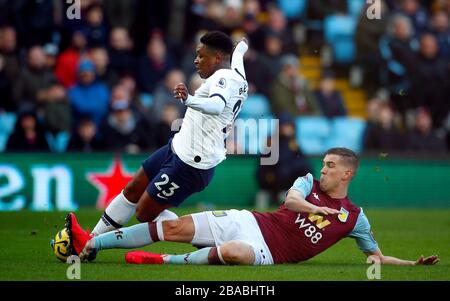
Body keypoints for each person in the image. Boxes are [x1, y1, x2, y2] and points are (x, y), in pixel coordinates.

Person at [66, 147, 439, 267]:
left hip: (265, 251)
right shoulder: (306, 183)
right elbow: (289, 201)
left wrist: (411, 265)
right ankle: (91, 243)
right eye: (323, 164)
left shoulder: (355, 218)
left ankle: (161, 260)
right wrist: (313, 209)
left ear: (347, 174)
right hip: (250, 220)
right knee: (174, 228)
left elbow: (375, 257)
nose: (322, 169)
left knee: (235, 253)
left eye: (330, 166)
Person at [66, 32, 249, 258]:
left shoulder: (223, 79)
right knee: (133, 187)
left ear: (218, 57)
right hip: (179, 147)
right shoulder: (237, 75)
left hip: (191, 163)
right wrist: (241, 47)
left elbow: (217, 105)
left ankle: (208, 238)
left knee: (144, 213)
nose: (195, 60)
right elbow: (238, 56)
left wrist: (189, 100)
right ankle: (90, 241)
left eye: (201, 56)